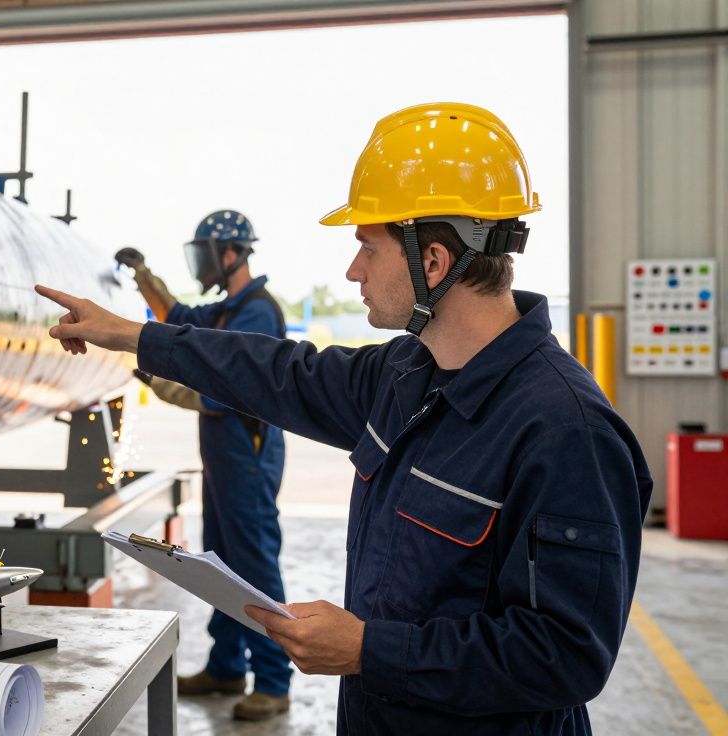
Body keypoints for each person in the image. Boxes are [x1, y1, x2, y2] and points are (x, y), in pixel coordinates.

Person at [35, 102, 651, 734]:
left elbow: (566, 657)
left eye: (366, 247)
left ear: (432, 262)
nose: (352, 270)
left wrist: (366, 650)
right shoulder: (406, 374)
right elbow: (275, 371)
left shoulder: (566, 432)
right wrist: (136, 336)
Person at [116, 211, 292, 721]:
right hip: (222, 457)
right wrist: (144, 278)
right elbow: (177, 317)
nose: (201, 264)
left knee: (254, 568)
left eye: (206, 253)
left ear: (231, 254)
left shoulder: (257, 313)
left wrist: (160, 383)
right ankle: (225, 667)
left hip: (246, 456)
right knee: (221, 564)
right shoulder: (226, 311)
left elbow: (228, 390)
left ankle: (274, 682)